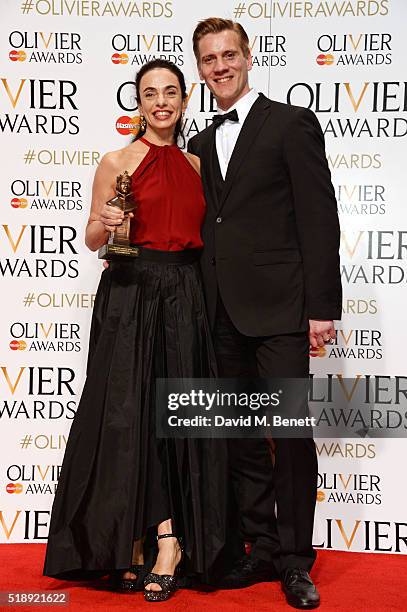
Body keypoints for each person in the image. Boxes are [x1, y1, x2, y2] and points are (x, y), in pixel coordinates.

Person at [43, 58, 241, 603]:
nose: (160, 102)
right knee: (126, 419)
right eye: (150, 92)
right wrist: (103, 224)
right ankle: (140, 540)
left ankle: (170, 542)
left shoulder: (201, 164)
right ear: (138, 101)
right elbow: (92, 237)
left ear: (184, 99)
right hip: (129, 293)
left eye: (170, 92)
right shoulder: (117, 161)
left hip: (185, 298)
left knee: (175, 417)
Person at [187, 18, 342, 609]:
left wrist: (321, 308)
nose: (220, 66)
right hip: (218, 310)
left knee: (289, 435)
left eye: (229, 54)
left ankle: (296, 560)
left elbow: (318, 216)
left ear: (248, 57)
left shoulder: (290, 122)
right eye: (209, 58)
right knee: (240, 437)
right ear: (200, 68)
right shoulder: (199, 144)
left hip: (280, 309)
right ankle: (259, 546)